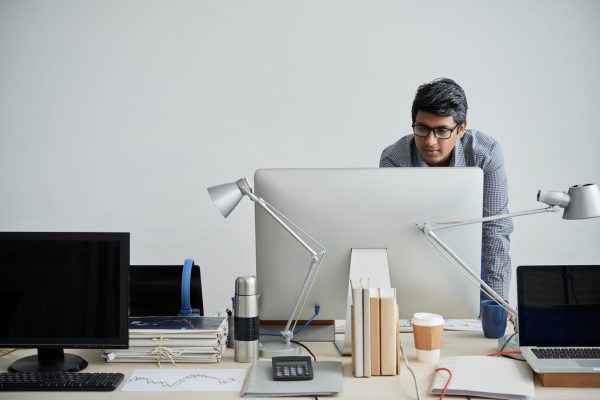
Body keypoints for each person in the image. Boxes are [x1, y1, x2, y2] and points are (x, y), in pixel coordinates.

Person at [379, 78, 513, 301]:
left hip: (471, 262)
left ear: (461, 129)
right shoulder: (394, 159)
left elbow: (495, 230)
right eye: (422, 129)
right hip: (413, 260)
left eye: (441, 130)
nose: (430, 141)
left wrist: (497, 304)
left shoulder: (486, 153)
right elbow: (392, 234)